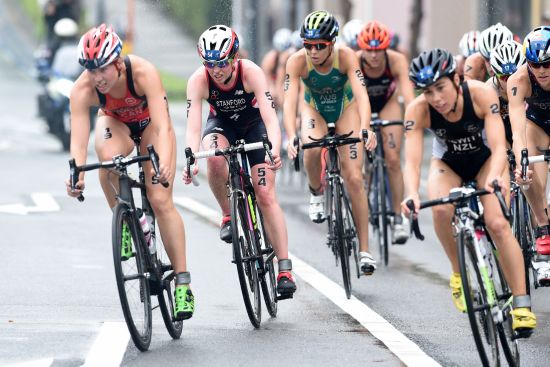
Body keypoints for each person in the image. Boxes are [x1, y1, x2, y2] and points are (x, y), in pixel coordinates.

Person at [401, 48, 536, 336]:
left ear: (456, 78)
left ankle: (522, 304)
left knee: (497, 223)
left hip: (487, 160)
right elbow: (411, 162)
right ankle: (458, 274)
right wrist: (411, 193)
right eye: (428, 92)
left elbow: (500, 146)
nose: (436, 98)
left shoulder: (479, 95)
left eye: (440, 88)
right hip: (448, 164)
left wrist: (495, 181)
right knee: (439, 208)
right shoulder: (417, 110)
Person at [65, 24, 194, 320]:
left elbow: (163, 126)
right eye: (89, 69)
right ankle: (124, 220)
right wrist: (77, 175)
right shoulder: (82, 90)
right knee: (108, 160)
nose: (97, 78)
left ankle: (183, 284)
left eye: (102, 69)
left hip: (151, 128)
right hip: (116, 124)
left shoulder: (143, 73)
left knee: (160, 200)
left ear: (117, 62)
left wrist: (163, 163)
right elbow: (78, 142)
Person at [183, 25, 297, 298]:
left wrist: (274, 150)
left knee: (266, 194)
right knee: (214, 158)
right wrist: (189, 160)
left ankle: (284, 269)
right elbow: (193, 128)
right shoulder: (199, 80)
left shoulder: (251, 72)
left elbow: (271, 119)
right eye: (209, 63)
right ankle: (227, 214)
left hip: (255, 126)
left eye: (222, 63)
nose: (216, 70)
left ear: (234, 58)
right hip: (221, 126)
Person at [284, 10, 378, 274]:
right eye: (308, 45)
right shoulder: (296, 62)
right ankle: (316, 192)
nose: (313, 51)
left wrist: (366, 129)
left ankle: (365, 250)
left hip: (345, 108)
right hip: (315, 110)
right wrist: (291, 133)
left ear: (332, 43)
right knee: (311, 149)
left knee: (355, 179)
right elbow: (290, 102)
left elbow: (362, 95)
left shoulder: (347, 57)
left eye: (320, 46)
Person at [356, 20, 415, 244]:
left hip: (387, 103)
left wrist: (411, 121)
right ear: (362, 49)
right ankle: (364, 185)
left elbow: (408, 97)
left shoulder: (396, 60)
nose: (373, 55)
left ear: (385, 48)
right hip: (360, 105)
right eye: (369, 50)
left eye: (378, 50)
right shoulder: (355, 61)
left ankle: (399, 219)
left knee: (392, 159)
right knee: (359, 158)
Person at [508, 26, 550, 284]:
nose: (542, 71)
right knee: (530, 175)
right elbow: (517, 128)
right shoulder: (519, 80)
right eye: (536, 65)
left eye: (548, 65)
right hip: (535, 125)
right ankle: (543, 228)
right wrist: (522, 159)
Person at [486, 40, 525, 147]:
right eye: (504, 77)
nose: (510, 81)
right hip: (503, 135)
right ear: (494, 75)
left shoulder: (532, 83)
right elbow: (492, 130)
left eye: (515, 75)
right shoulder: (489, 91)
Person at [261, 28, 293, 108]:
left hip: (287, 82)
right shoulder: (269, 59)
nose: (283, 55)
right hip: (275, 84)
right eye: (280, 52)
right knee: (272, 95)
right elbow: (267, 82)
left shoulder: (293, 57)